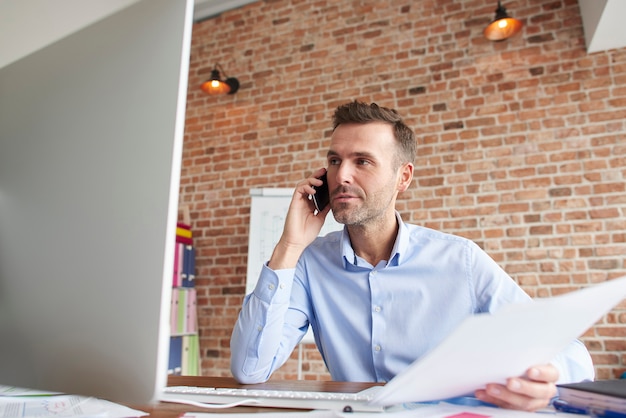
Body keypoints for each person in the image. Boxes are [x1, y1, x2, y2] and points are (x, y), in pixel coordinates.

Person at [230, 100, 595, 411]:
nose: (342, 175)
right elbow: (250, 369)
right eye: (334, 160)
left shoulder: (461, 261)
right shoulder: (310, 264)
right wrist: (289, 247)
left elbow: (572, 354)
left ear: (403, 178)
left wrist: (550, 376)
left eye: (363, 161)